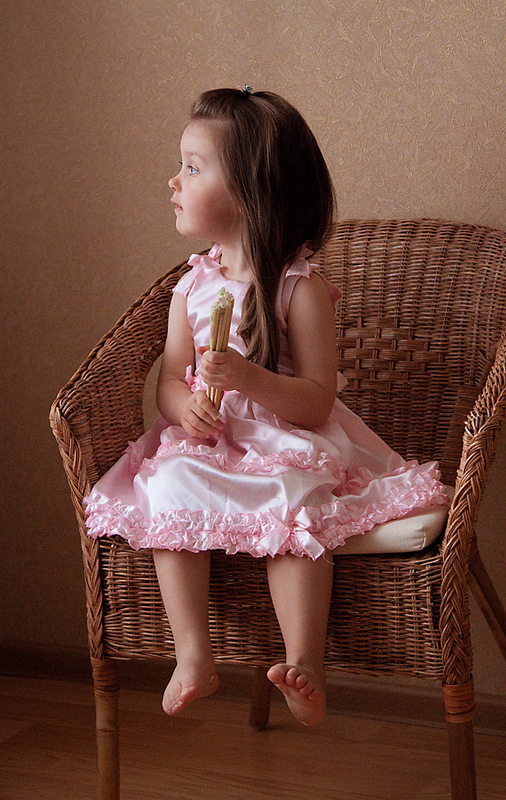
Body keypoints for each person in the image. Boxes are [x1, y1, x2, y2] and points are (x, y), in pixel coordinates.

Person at [85, 86, 449, 727]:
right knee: (166, 485)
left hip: (285, 440)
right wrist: (184, 408)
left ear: (250, 192)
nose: (173, 180)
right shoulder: (191, 288)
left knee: (293, 504)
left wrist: (248, 378)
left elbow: (317, 400)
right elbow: (168, 381)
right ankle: (193, 653)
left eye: (192, 168)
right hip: (209, 442)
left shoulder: (298, 288)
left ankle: (305, 663)